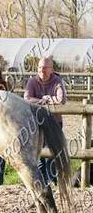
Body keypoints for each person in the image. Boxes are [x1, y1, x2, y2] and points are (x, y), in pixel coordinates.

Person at [24, 56, 67, 184]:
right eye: (40, 67)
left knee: (52, 152)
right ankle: (41, 180)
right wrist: (45, 100)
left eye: (45, 67)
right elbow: (27, 98)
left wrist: (44, 99)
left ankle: (51, 180)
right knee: (38, 152)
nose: (41, 70)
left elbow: (61, 100)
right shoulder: (32, 81)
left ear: (51, 69)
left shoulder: (57, 81)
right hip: (36, 122)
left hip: (54, 122)